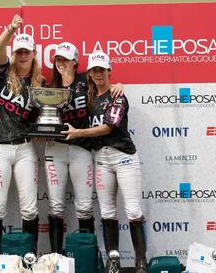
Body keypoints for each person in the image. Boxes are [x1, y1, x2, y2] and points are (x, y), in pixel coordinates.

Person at [62, 51, 147, 273]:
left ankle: (140, 263)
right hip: (101, 159)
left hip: (123, 157)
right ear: (89, 73)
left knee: (133, 210)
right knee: (108, 212)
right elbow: (68, 79)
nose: (98, 73)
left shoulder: (118, 95)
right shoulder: (89, 97)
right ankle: (113, 261)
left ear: (109, 71)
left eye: (102, 69)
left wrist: (78, 133)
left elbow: (108, 127)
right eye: (94, 70)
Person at [44, 42, 122, 254]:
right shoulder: (50, 87)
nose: (61, 63)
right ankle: (56, 258)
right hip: (55, 149)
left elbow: (105, 86)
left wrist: (117, 85)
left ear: (75, 62)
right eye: (58, 59)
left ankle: (86, 257)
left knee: (85, 206)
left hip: (81, 148)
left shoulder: (85, 82)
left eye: (65, 59)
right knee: (56, 207)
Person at [0, 15, 43, 255]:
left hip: (25, 149)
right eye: (18, 52)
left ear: (33, 53)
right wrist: (10, 28)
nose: (22, 56)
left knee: (30, 209)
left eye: (26, 52)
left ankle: (29, 258)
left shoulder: (40, 83)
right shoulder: (2, 74)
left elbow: (39, 117)